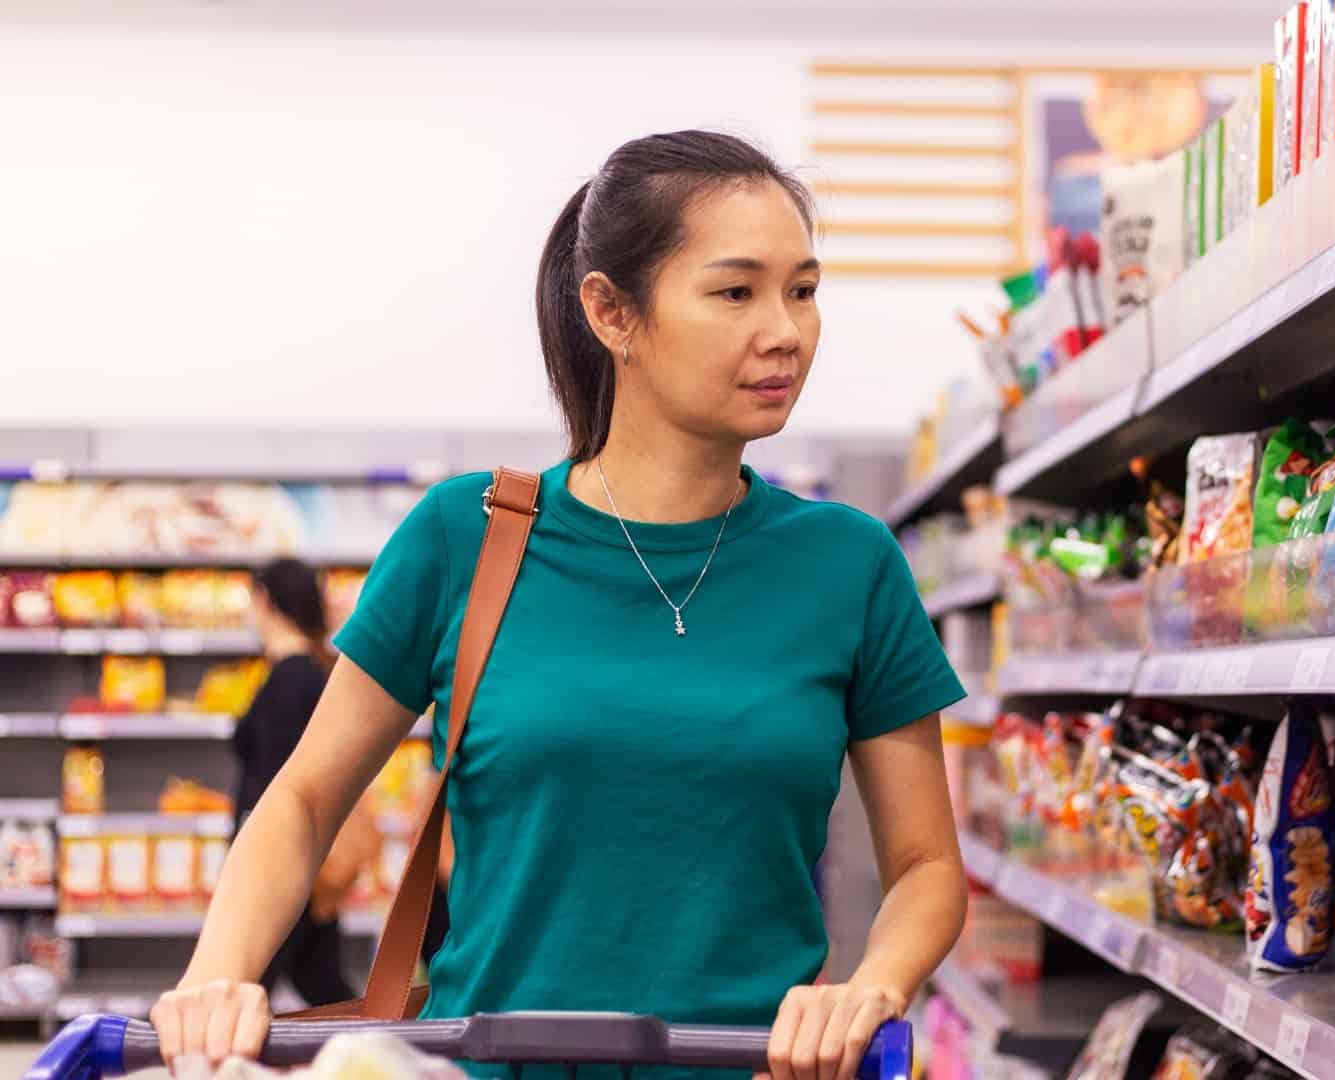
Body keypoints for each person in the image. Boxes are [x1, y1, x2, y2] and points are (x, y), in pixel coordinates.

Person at [153, 131, 970, 1080]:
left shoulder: (850, 563)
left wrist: (872, 987)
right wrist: (215, 980)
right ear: (612, 313)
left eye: (804, 289)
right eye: (737, 291)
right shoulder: (466, 535)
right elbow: (302, 799)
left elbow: (926, 866)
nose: (785, 329)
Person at [230, 559, 374, 1010]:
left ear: (264, 600)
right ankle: (381, 1051)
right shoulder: (314, 675)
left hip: (283, 866)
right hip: (307, 864)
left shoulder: (289, 682)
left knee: (242, 988)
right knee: (322, 985)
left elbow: (281, 788)